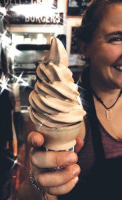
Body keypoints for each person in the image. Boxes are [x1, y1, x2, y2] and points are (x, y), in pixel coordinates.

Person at [18, 0, 122, 199]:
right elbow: (24, 193)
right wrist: (38, 184)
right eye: (116, 38)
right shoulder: (54, 111)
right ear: (85, 46)